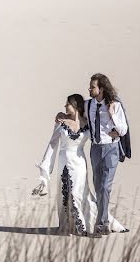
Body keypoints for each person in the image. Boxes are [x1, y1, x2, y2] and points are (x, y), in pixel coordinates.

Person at [33, 94, 127, 236]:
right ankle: (72, 226)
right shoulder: (61, 122)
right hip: (64, 161)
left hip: (79, 163)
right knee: (67, 192)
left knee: (80, 192)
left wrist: (115, 137)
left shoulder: (87, 122)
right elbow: (52, 145)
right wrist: (45, 173)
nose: (65, 107)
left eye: (67, 104)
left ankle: (84, 225)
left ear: (75, 105)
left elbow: (101, 133)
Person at [86, 73, 128, 234]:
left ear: (101, 89)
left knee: (105, 187)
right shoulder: (88, 105)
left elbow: (123, 130)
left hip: (111, 149)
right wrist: (62, 116)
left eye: (92, 87)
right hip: (95, 149)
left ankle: (102, 224)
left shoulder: (115, 105)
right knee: (98, 187)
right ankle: (103, 219)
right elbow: (76, 115)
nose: (89, 89)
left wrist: (111, 114)